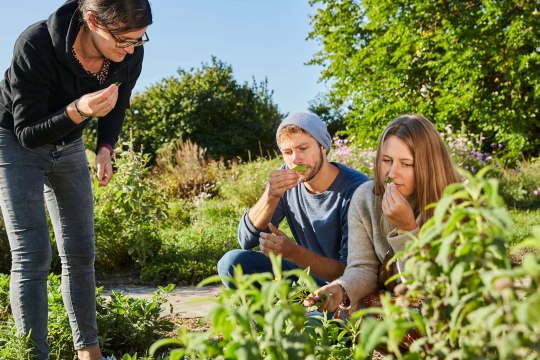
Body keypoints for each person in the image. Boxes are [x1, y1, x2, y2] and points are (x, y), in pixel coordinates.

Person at [0, 0, 152, 359]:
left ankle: (90, 354)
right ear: (93, 20)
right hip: (15, 141)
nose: (131, 50)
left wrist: (105, 147)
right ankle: (34, 354)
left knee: (81, 253)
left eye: (139, 40)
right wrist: (80, 109)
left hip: (68, 143)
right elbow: (27, 132)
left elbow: (120, 100)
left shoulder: (130, 52)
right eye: (123, 40)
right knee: (33, 255)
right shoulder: (35, 44)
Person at [304, 114, 460, 313]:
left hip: (440, 311)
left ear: (427, 166)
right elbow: (364, 267)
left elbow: (431, 288)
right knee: (313, 318)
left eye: (406, 164)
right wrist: (341, 289)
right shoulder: (365, 198)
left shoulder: (454, 203)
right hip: (392, 305)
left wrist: (407, 230)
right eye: (386, 161)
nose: (392, 174)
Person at [217, 112, 369, 288]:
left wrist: (293, 252)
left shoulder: (358, 189)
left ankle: (307, 315)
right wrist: (271, 196)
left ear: (323, 147)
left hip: (347, 290)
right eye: (288, 152)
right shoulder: (287, 179)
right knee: (232, 262)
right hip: (307, 281)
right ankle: (268, 316)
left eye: (303, 148)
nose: (296, 160)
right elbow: (247, 240)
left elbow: (351, 272)